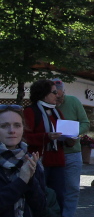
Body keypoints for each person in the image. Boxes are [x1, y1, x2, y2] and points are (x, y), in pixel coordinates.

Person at [23, 79, 66, 210]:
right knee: (38, 196)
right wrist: (46, 136)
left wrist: (70, 139)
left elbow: (64, 135)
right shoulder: (30, 111)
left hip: (57, 162)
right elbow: (25, 137)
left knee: (59, 197)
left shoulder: (57, 112)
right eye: (54, 92)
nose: (57, 95)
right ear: (44, 94)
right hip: (39, 162)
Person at [52, 78, 90, 217]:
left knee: (72, 187)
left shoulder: (73, 101)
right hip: (53, 151)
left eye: (60, 95)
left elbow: (85, 123)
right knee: (53, 187)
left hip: (72, 151)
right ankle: (53, 216)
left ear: (64, 92)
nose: (57, 98)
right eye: (55, 95)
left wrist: (75, 133)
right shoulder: (48, 105)